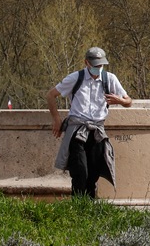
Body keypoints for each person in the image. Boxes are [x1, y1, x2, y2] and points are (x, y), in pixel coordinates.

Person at [46, 46, 132, 198]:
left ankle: (89, 209)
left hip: (97, 131)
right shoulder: (76, 78)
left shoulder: (109, 79)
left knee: (93, 175)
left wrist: (119, 100)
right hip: (77, 131)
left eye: (101, 65)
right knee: (80, 172)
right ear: (87, 63)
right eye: (95, 65)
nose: (98, 68)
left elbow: (128, 101)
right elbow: (51, 95)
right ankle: (78, 208)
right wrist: (57, 120)